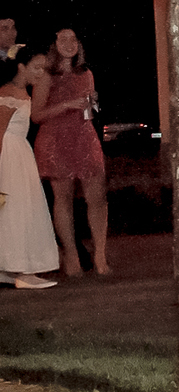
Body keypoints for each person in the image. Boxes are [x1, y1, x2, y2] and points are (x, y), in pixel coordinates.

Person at [32, 27, 108, 276]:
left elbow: (89, 112)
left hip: (84, 136)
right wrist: (66, 105)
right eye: (63, 39)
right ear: (54, 45)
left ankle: (100, 255)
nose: (68, 43)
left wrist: (91, 103)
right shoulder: (46, 76)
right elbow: (36, 115)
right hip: (55, 139)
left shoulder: (86, 73)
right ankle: (72, 256)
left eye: (73, 39)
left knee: (97, 197)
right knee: (63, 198)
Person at [0, 46, 59, 289]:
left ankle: (13, 269)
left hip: (21, 155)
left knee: (23, 210)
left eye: (43, 68)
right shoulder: (8, 93)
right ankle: (19, 269)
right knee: (13, 210)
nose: (40, 73)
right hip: (9, 156)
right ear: (21, 66)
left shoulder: (23, 93)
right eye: (36, 67)